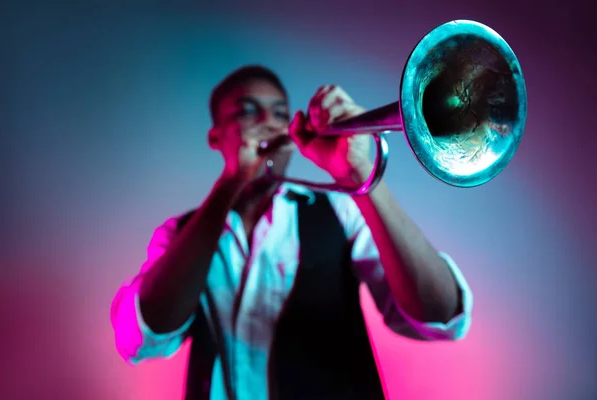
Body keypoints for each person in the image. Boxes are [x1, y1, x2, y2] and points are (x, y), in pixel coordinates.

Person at [110, 65, 473, 400]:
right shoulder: (180, 233)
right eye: (248, 111)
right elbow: (139, 338)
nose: (270, 123)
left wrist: (360, 175)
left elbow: (440, 317)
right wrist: (232, 182)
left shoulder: (340, 209)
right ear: (215, 137)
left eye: (281, 113)